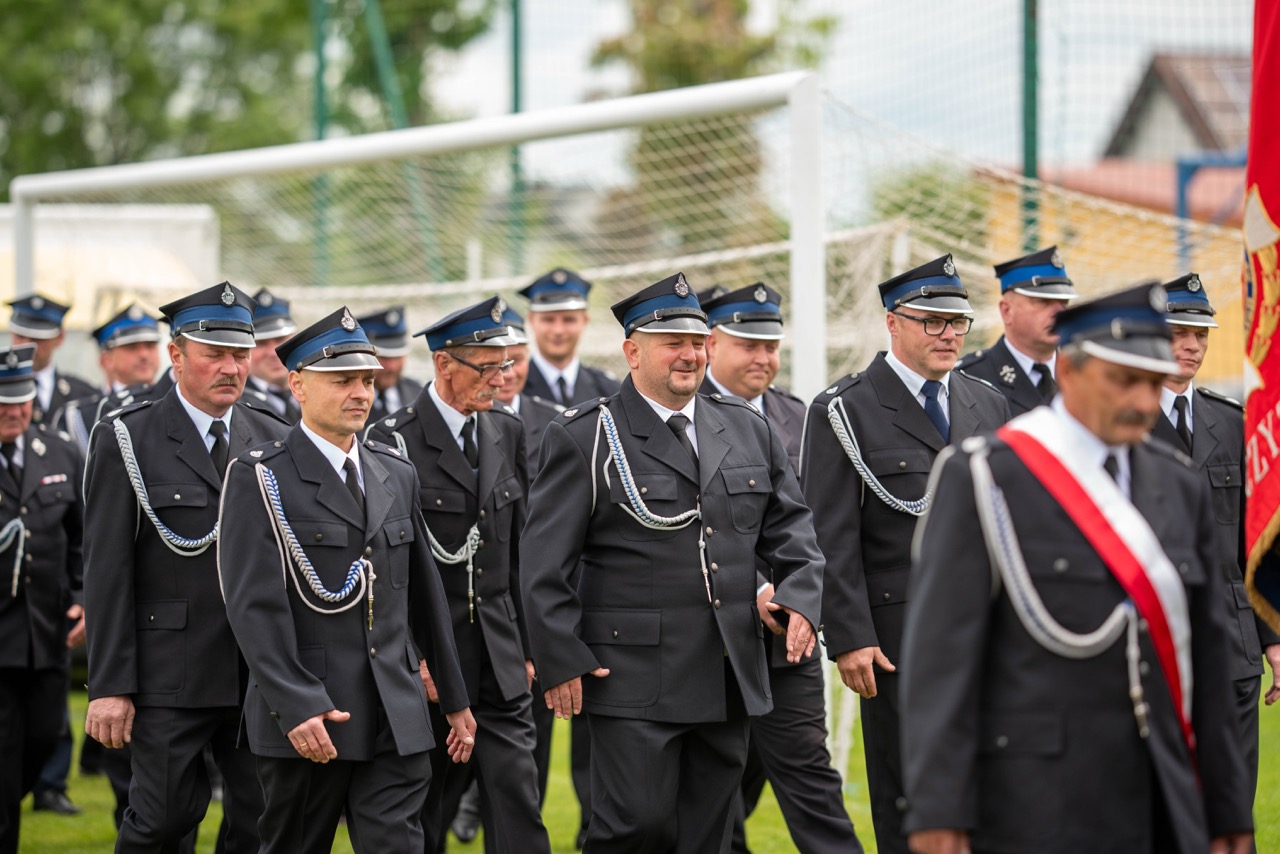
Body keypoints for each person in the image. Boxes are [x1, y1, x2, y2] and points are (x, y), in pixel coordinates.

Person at [900, 283, 1254, 853]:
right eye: (1123, 380)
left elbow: (1207, 660)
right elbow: (941, 660)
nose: (1143, 401)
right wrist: (938, 810)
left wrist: (1228, 807)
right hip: (1037, 800)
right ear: (1069, 371)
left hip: (1161, 792)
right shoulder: (987, 476)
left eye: (1153, 381)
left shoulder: (1177, 484)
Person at [521, 272, 824, 853]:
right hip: (631, 676)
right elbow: (543, 565)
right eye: (672, 343)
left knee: (707, 834)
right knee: (635, 828)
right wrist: (559, 657)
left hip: (727, 671)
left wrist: (801, 597)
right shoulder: (586, 435)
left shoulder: (745, 426)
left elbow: (792, 529)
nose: (690, 355)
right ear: (632, 352)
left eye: (697, 342)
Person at [217, 306, 476, 854]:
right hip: (315, 713)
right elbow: (253, 607)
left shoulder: (394, 471)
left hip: (395, 712)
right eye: (342, 381)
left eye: (367, 380)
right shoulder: (260, 475)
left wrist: (454, 698)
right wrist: (295, 703)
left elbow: (423, 595)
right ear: (297, 385)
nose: (360, 393)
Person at [800, 254, 1010, 854]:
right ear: (893, 322)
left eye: (958, 322)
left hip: (988, 626)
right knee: (908, 790)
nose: (949, 335)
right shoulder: (844, 408)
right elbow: (829, 535)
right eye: (932, 321)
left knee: (996, 784)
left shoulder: (986, 402)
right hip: (897, 634)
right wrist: (849, 637)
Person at [82, 281, 292, 853]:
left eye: (240, 354)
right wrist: (110, 686)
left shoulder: (273, 434)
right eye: (214, 354)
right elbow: (107, 571)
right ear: (176, 355)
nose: (231, 368)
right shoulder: (127, 436)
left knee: (261, 824)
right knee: (163, 820)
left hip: (257, 672)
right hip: (168, 672)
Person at [366, 296, 550, 854]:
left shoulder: (506, 431)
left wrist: (527, 645)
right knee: (428, 806)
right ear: (444, 364)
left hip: (500, 655)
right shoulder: (392, 439)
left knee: (518, 800)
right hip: (432, 660)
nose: (502, 378)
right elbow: (387, 570)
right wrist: (414, 657)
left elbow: (518, 547)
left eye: (506, 365)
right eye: (487, 367)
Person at [698, 283, 863, 854]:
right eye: (748, 345)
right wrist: (754, 586)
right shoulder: (681, 413)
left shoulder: (797, 415)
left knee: (807, 770)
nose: (763, 358)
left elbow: (813, 523)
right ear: (711, 343)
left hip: (786, 635)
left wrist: (800, 596)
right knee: (713, 784)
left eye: (771, 347)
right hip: (708, 637)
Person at [1152, 273, 1280, 822]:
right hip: (1153, 643)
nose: (1192, 346)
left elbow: (1258, 541)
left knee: (1232, 809)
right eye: (1178, 333)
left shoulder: (1231, 422)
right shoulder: (1118, 423)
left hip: (1231, 645)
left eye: (1200, 335)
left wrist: (1274, 637)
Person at [0, 344, 85, 854]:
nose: (14, 410)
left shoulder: (58, 452)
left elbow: (82, 540)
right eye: (3, 401)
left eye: (22, 398)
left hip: (47, 633)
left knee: (42, 740)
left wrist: (82, 596)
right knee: (3, 752)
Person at [955, 246, 1076, 414]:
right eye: (1043, 302)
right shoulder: (968, 379)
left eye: (1064, 303)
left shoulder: (1085, 373)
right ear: (1007, 311)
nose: (1059, 313)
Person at [52, 303, 163, 452]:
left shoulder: (174, 403)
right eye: (132, 348)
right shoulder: (78, 416)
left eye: (150, 346)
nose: (144, 355)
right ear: (106, 360)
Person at [518, 268, 618, 408]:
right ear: (531, 320)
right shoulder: (511, 390)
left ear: (585, 321)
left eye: (569, 320)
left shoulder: (609, 390)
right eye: (548, 320)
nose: (558, 330)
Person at [7, 295, 96, 424]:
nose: (26, 346)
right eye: (20, 336)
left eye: (37, 339)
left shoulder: (86, 395)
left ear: (60, 338)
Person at [357, 306, 423, 424]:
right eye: (383, 357)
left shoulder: (418, 394)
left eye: (398, 356)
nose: (392, 367)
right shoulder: (347, 401)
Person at [245, 288, 301, 423]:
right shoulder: (237, 404)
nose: (273, 353)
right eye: (261, 343)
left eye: (280, 340)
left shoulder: (317, 392)